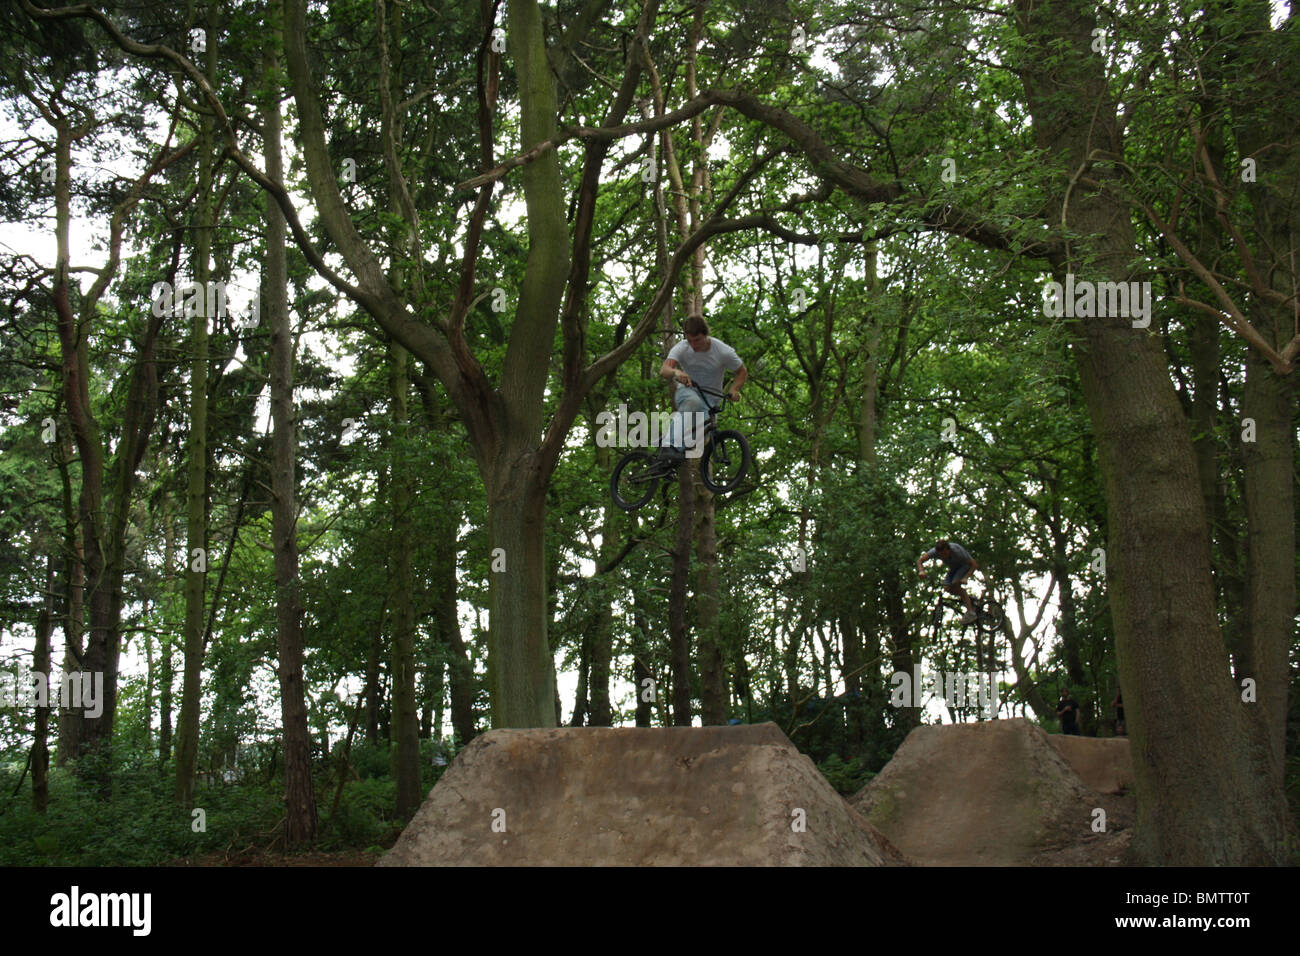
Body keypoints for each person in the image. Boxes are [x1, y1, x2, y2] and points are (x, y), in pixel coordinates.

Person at [656, 314, 747, 463]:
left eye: (697, 340)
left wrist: (734, 389)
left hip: (711, 400)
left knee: (698, 439)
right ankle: (668, 446)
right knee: (694, 403)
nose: (693, 345)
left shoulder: (723, 351)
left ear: (705, 335)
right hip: (688, 391)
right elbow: (664, 370)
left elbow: (742, 371)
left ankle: (669, 462)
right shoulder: (682, 348)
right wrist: (676, 372)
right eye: (690, 340)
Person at [917, 539, 978, 623]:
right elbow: (920, 561)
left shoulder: (958, 552)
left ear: (949, 549)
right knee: (946, 587)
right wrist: (921, 571)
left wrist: (966, 577)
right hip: (953, 568)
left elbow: (974, 565)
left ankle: (971, 612)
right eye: (941, 555)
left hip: (965, 566)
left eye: (945, 553)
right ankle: (970, 598)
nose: (943, 556)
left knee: (955, 584)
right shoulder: (934, 552)